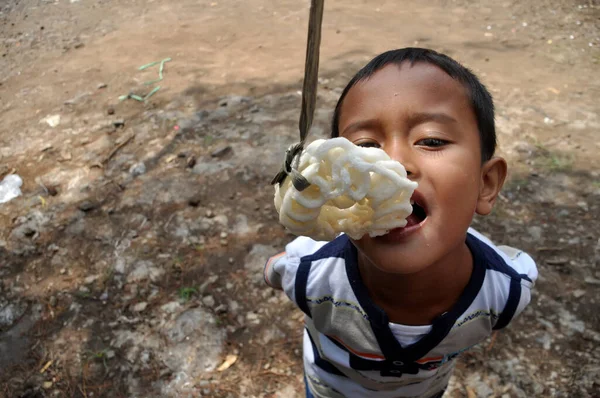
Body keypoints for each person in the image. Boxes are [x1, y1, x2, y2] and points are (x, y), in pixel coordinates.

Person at [264, 48, 538, 398]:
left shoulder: (505, 293)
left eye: (432, 140)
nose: (393, 164)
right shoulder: (311, 272)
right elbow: (277, 269)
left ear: (485, 184)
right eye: (364, 146)